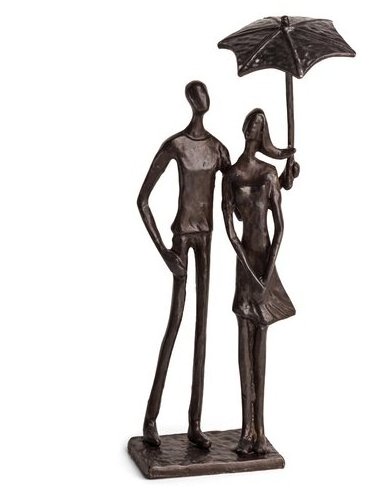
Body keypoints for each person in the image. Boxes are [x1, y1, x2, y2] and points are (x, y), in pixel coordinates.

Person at [137, 81, 230, 449]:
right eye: (199, 94)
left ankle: (195, 422)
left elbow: (243, 186)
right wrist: (164, 252)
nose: (204, 100)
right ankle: (151, 419)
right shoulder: (176, 145)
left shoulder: (218, 149)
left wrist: (283, 176)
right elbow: (142, 200)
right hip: (182, 237)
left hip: (208, 238)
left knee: (202, 327)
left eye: (206, 94)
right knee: (176, 321)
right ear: (192, 101)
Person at [221, 108, 295, 455]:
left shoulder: (268, 174)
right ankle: (246, 428)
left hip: (264, 260)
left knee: (260, 343)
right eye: (252, 121)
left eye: (260, 124)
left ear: (263, 134)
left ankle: (260, 429)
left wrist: (268, 269)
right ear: (244, 128)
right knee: (243, 343)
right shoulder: (232, 175)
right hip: (244, 263)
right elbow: (230, 228)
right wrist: (247, 266)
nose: (254, 126)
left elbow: (279, 226)